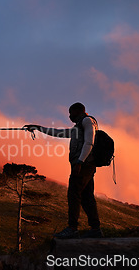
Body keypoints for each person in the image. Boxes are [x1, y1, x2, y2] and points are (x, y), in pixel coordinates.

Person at [24, 102, 103, 239]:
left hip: (83, 165)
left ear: (78, 111)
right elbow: (58, 133)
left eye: (70, 113)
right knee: (86, 197)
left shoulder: (87, 121)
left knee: (73, 194)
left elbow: (89, 142)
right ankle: (95, 229)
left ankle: (72, 228)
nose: (69, 116)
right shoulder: (78, 127)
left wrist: (80, 161)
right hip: (86, 165)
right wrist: (37, 128)